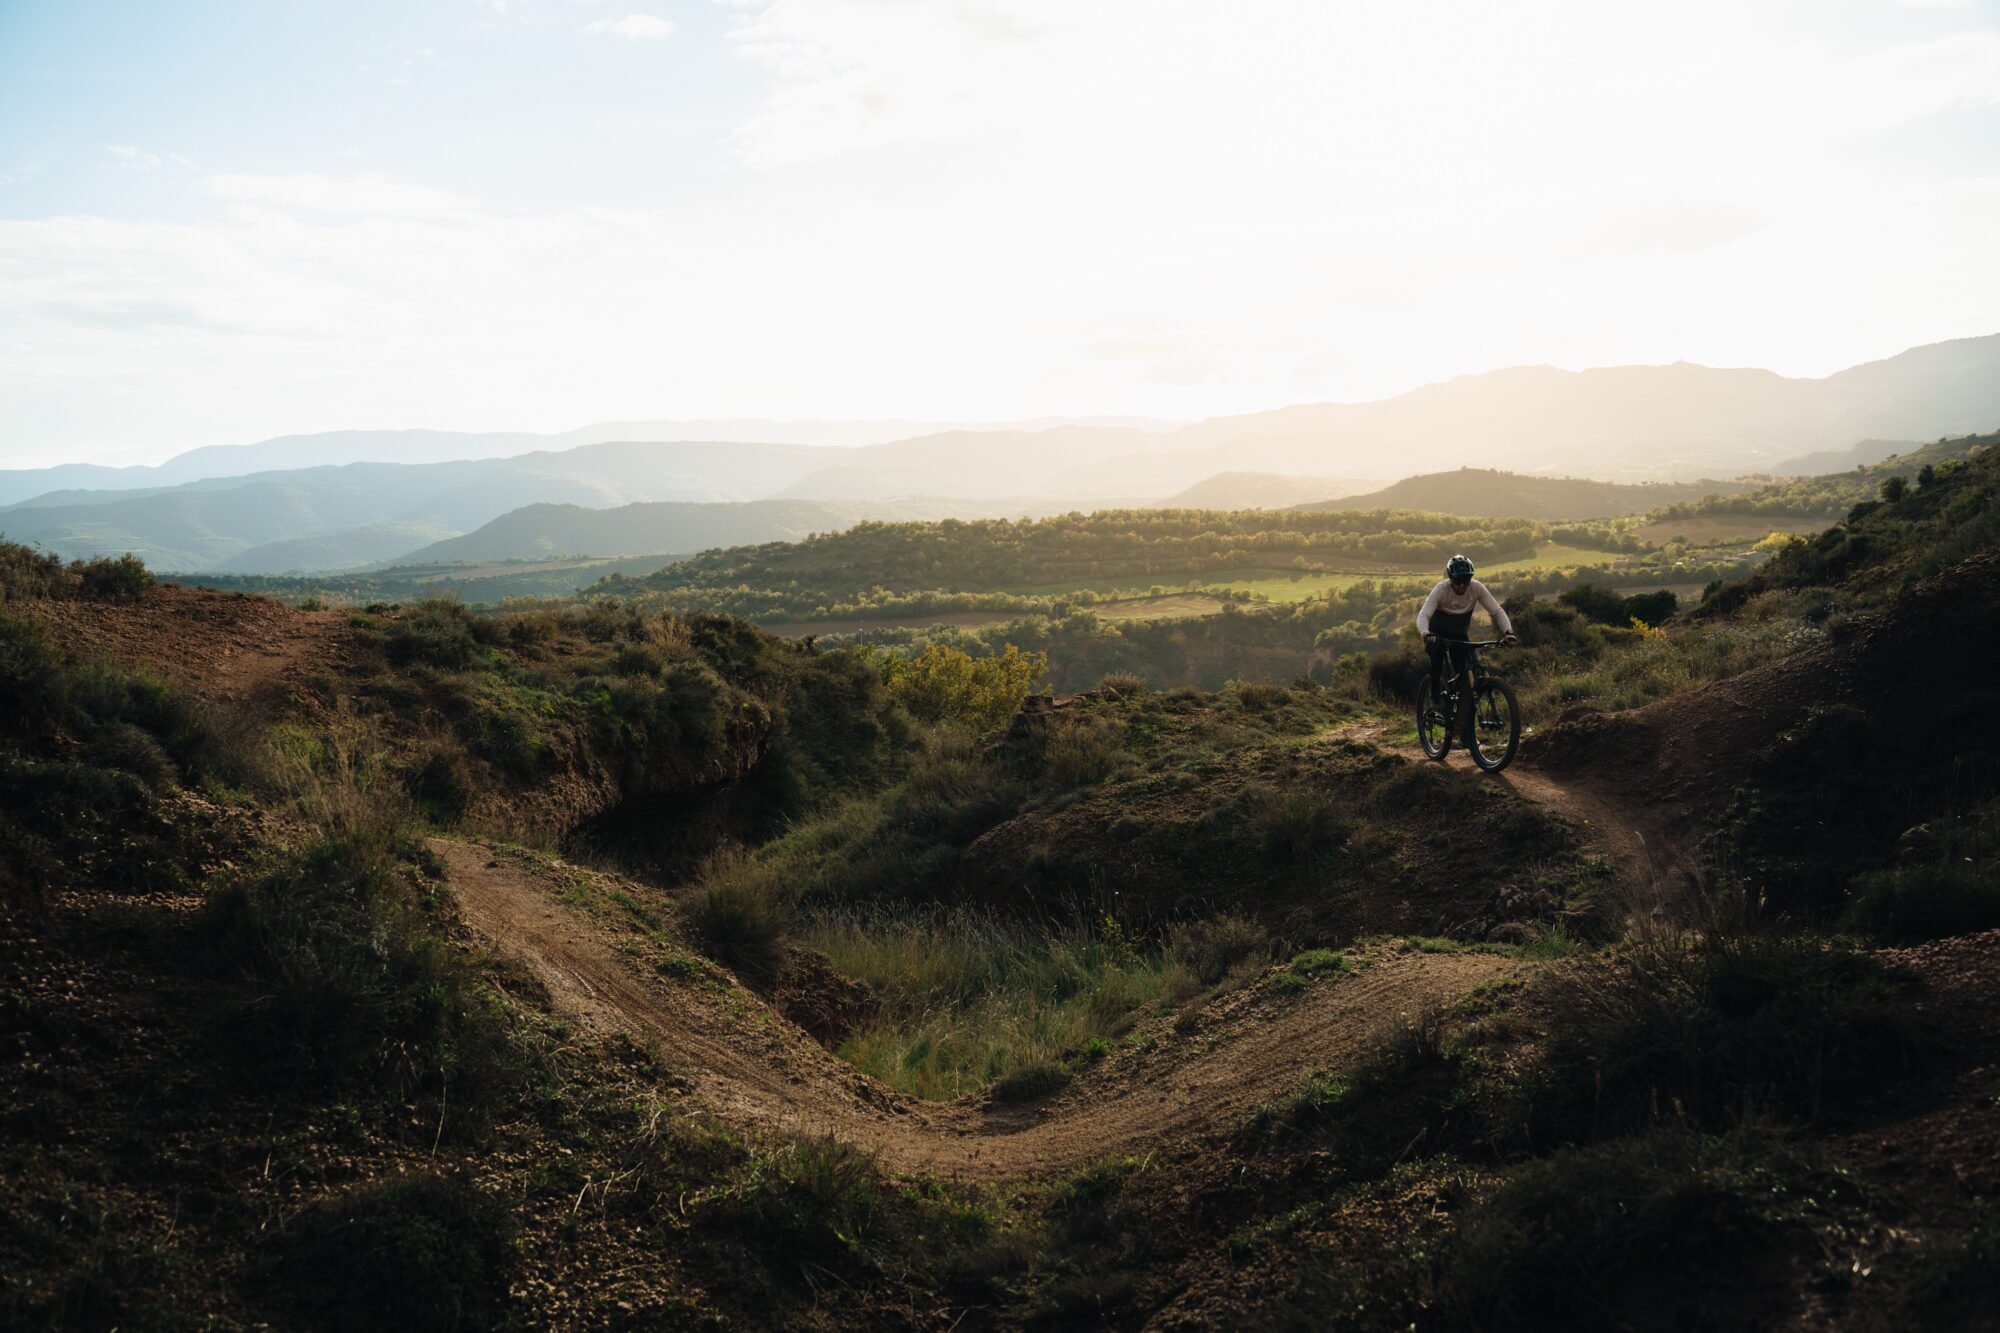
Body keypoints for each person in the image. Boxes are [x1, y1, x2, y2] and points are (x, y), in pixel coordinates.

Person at [1418, 554, 1517, 694]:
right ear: (1451, 578)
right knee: (1436, 659)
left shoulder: (1476, 588)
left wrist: (1508, 632)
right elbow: (1424, 615)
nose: (1462, 585)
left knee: (1465, 671)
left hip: (1459, 634)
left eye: (1466, 580)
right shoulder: (1441, 589)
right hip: (1437, 634)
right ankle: (1434, 694)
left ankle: (1463, 701)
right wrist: (1425, 633)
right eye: (1458, 581)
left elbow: (1497, 611)